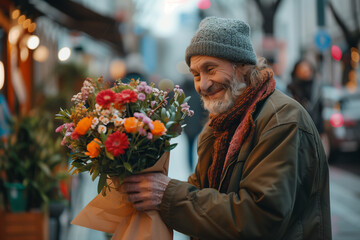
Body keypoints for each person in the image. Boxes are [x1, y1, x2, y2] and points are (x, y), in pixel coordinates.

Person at [121, 17, 332, 239]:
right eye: (195, 74)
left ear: (241, 66)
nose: (203, 84)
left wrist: (167, 195)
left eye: (210, 69)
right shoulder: (219, 124)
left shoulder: (282, 120)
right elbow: (200, 194)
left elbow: (260, 218)